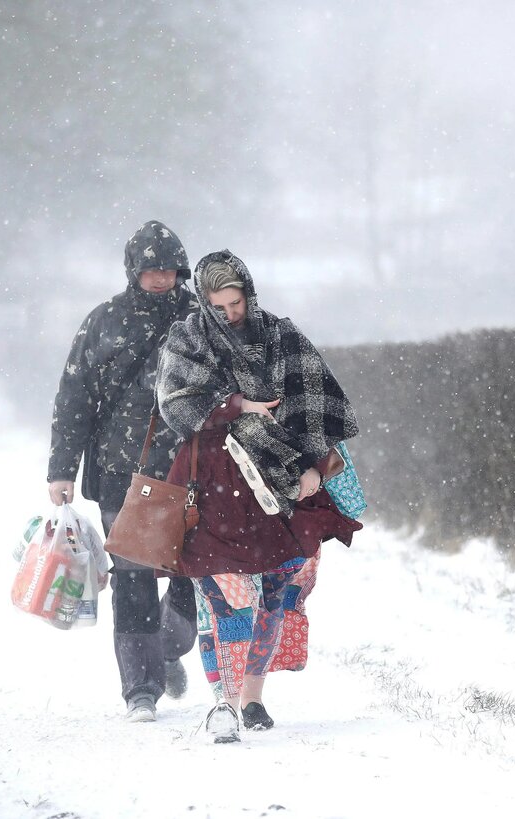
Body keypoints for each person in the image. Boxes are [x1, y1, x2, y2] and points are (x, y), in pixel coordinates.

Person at [156, 249, 362, 743]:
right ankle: (223, 703)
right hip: (213, 481)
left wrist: (315, 464)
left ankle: (253, 696)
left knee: (275, 590)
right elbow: (174, 403)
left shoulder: (281, 335)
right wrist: (235, 404)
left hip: (279, 482)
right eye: (220, 304)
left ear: (250, 293)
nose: (232, 313)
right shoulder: (188, 338)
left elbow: (316, 401)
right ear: (204, 301)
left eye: (238, 301)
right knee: (222, 594)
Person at [46, 220, 201, 723]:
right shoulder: (104, 321)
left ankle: (168, 645)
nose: (161, 278)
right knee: (133, 576)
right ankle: (140, 689)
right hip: (121, 472)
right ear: (134, 270)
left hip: (191, 468)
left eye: (169, 268)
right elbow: (74, 398)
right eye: (151, 268)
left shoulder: (202, 320)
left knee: (194, 571)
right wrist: (61, 469)